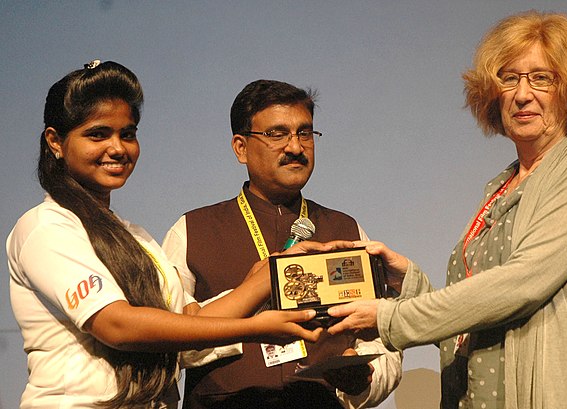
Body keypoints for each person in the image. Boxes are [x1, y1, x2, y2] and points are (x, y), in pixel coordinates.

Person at [327, 10, 567, 409]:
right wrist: (410, 283)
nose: (522, 94)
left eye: (541, 78)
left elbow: (520, 285)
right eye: (509, 78)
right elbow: (474, 315)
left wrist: (390, 318)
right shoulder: (500, 187)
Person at [6, 61, 337, 409]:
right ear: (55, 141)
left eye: (128, 134)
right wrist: (254, 328)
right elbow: (117, 325)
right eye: (98, 134)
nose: (118, 148)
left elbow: (190, 323)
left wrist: (273, 273)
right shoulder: (46, 225)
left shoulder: (136, 238)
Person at [163, 79, 402, 408]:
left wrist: (364, 381)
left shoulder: (346, 229)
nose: (295, 147)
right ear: (241, 148)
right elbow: (164, 345)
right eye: (277, 134)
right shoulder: (192, 230)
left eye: (304, 133)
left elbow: (386, 340)